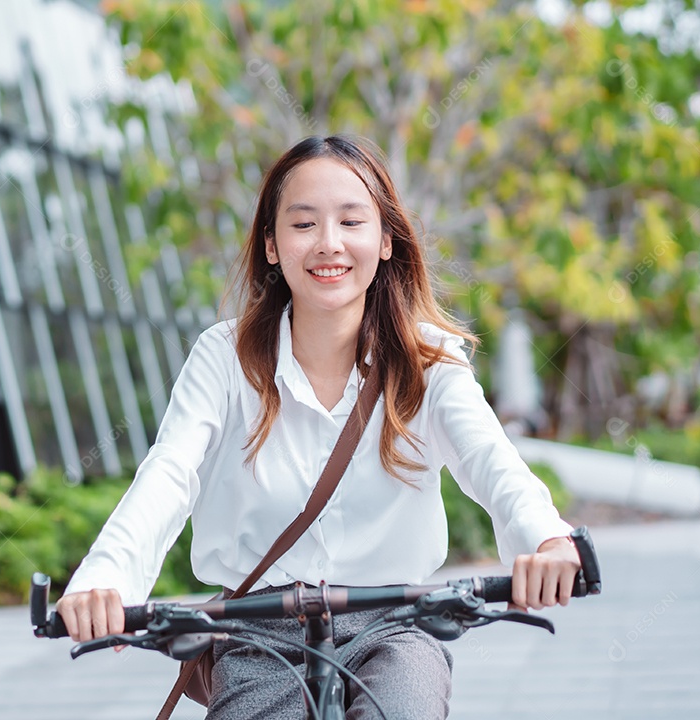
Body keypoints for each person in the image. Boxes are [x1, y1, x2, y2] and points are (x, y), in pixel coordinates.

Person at [56, 135, 580, 719]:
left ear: (385, 240)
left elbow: (490, 458)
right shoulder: (224, 357)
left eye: (351, 221)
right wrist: (105, 579)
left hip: (396, 623)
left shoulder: (430, 359)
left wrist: (544, 540)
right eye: (303, 224)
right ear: (272, 245)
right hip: (259, 628)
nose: (328, 244)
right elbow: (169, 473)